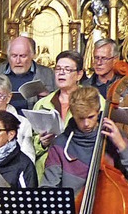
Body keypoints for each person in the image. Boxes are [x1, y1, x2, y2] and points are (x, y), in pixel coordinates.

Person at [41, 86, 128, 193]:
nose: (86, 124)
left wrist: (122, 147)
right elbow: (47, 189)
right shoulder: (59, 145)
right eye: (80, 118)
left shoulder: (114, 136)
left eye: (91, 117)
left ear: (98, 111)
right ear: (73, 114)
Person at [33, 50, 89, 179]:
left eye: (67, 69)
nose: (61, 73)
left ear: (79, 74)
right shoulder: (42, 104)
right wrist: (41, 143)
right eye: (58, 68)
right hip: (47, 171)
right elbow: (31, 141)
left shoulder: (93, 101)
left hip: (78, 170)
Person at [0, 36, 55, 113]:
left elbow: (62, 105)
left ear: (32, 56)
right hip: (4, 122)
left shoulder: (47, 74)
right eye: (14, 56)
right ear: (8, 56)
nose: (18, 61)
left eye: (22, 56)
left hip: (35, 123)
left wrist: (48, 100)